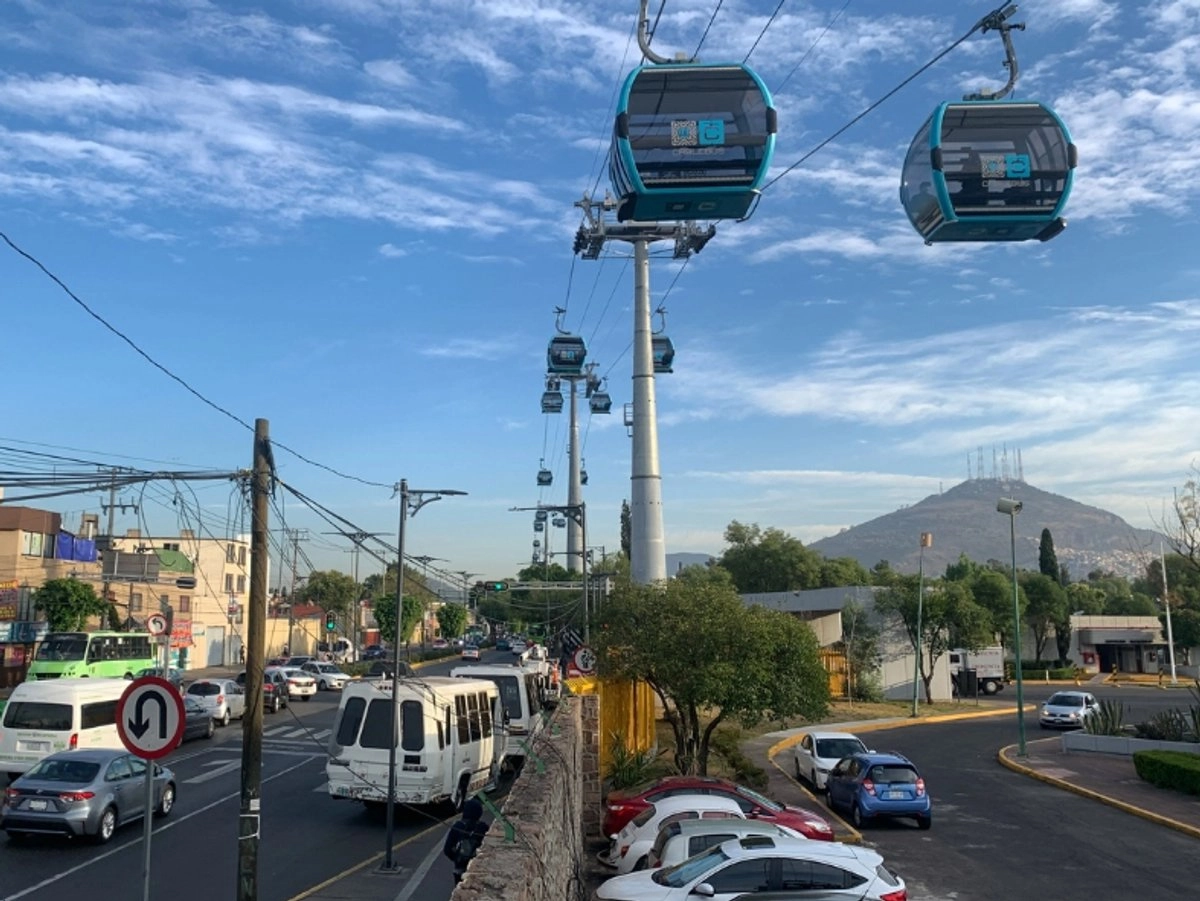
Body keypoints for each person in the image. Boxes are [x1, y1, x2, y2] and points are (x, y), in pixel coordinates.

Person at [442, 797, 488, 884]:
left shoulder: (458, 826)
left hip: (460, 868)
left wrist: (457, 858)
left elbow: (447, 849)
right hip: (476, 867)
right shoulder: (483, 827)